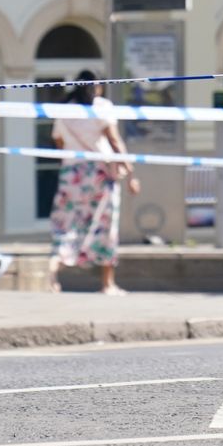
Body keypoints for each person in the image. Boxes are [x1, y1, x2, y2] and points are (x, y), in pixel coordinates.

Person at [47, 72, 138, 295]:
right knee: (105, 225)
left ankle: (52, 273)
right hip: (99, 172)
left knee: (66, 223)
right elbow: (114, 140)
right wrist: (130, 172)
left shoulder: (65, 110)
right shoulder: (102, 107)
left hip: (71, 172)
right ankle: (107, 283)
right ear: (98, 87)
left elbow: (58, 140)